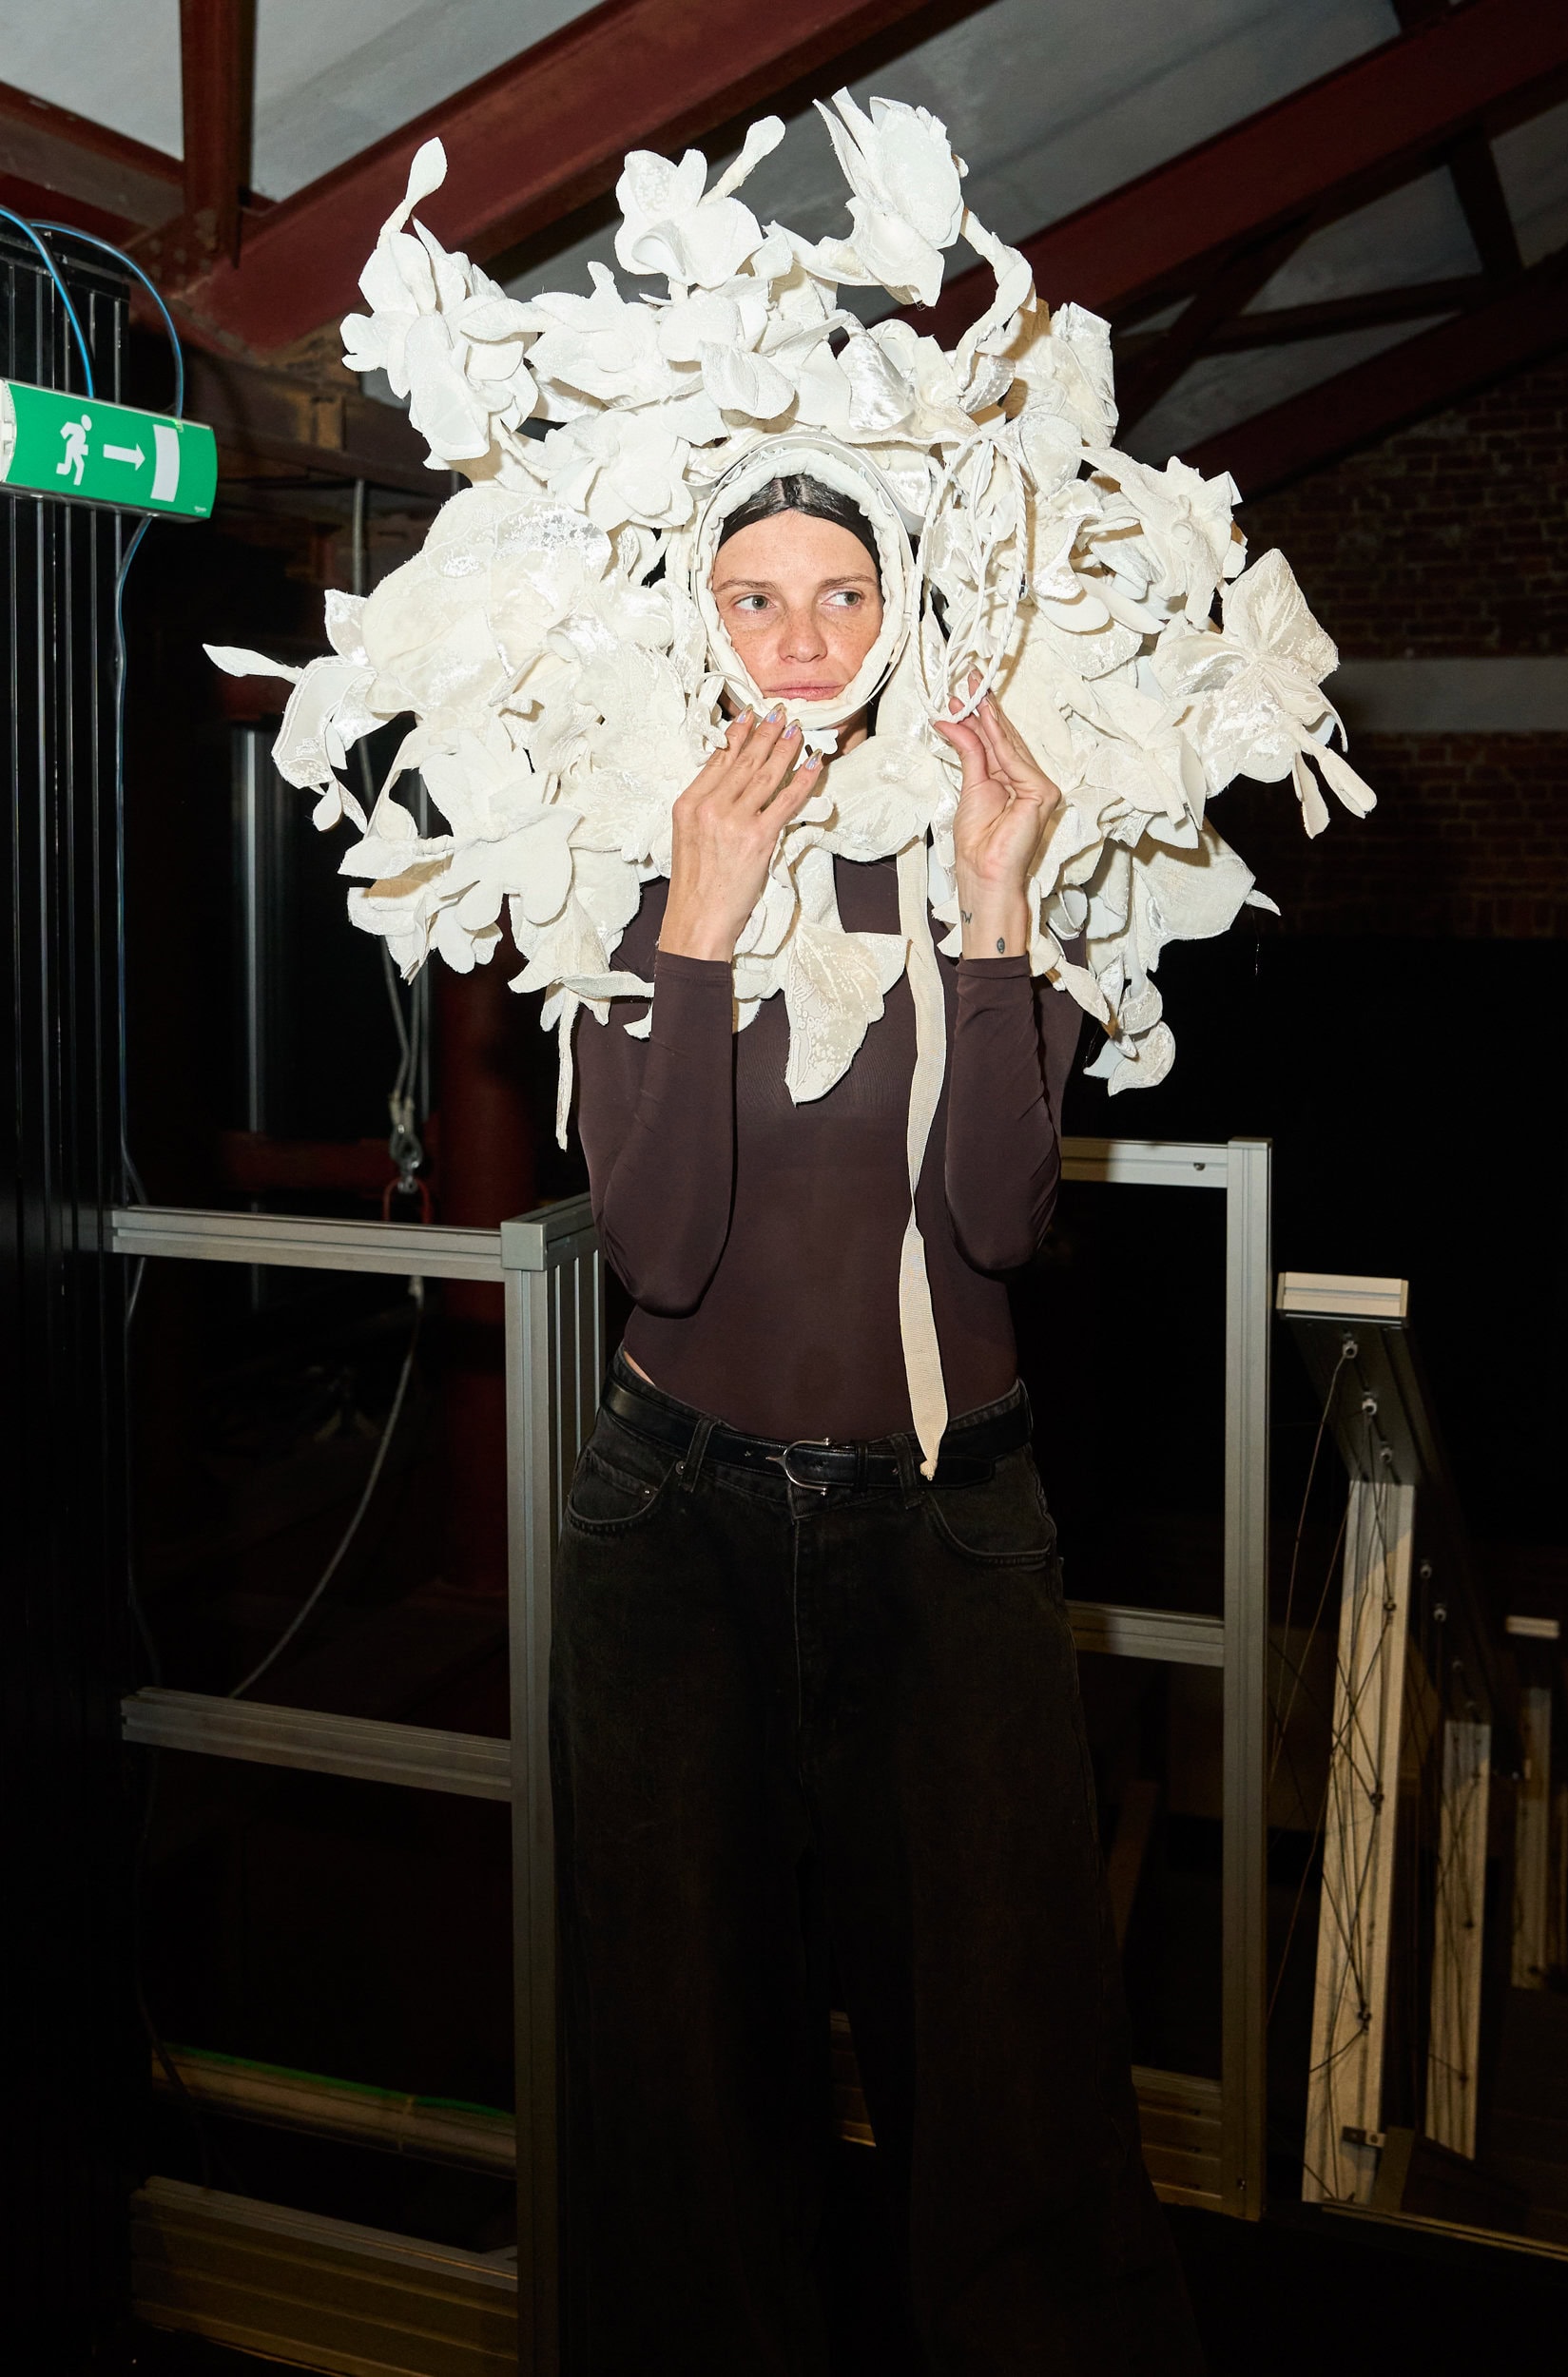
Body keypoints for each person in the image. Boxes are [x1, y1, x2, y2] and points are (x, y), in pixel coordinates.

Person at [552, 470, 1205, 2375]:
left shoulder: (997, 835)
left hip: (946, 1524)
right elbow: (661, 1251)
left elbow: (1000, 1224)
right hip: (672, 1527)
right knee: (684, 2067)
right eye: (752, 597)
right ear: (697, 618)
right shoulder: (628, 838)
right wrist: (694, 924)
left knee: (1012, 2062)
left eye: (840, 591)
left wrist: (999, 914)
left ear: (902, 606)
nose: (800, 640)